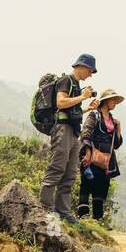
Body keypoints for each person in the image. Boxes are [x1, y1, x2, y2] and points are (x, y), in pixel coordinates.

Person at [39, 54, 97, 222]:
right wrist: (83, 97)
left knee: (70, 173)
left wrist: (86, 108)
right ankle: (44, 208)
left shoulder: (77, 86)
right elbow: (61, 103)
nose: (91, 74)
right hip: (62, 129)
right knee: (57, 167)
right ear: (81, 66)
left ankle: (62, 212)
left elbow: (72, 111)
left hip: (72, 131)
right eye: (90, 70)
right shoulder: (66, 80)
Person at [78, 88, 124, 220]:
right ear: (106, 101)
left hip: (106, 160)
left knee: (101, 187)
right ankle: (83, 215)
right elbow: (86, 132)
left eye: (116, 100)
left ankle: (97, 219)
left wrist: (118, 130)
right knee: (87, 184)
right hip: (92, 155)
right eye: (113, 100)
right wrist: (87, 153)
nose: (115, 102)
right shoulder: (94, 115)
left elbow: (116, 145)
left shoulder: (113, 121)